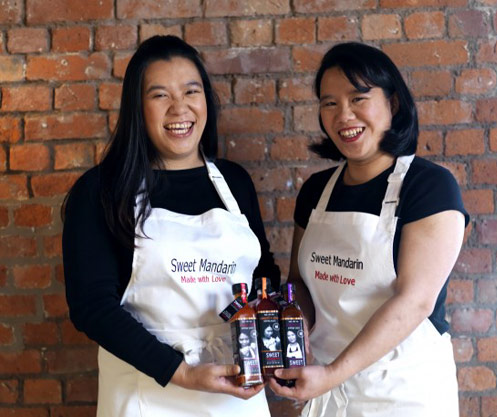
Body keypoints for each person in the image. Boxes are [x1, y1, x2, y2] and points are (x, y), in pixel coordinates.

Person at [62, 35, 280, 417]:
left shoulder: (235, 182)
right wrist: (181, 372)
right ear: (137, 107)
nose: (180, 108)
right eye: (160, 95)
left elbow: (262, 274)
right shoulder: (101, 191)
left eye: (191, 91)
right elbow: (92, 307)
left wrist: (274, 331)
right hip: (145, 393)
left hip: (236, 393)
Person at [269, 42, 469, 417]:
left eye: (358, 98)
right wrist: (295, 332)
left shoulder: (429, 187)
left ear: (392, 103)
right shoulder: (316, 191)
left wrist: (332, 374)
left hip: (402, 393)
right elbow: (299, 283)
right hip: (326, 390)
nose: (344, 115)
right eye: (329, 103)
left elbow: (415, 301)